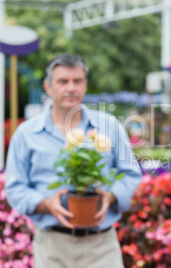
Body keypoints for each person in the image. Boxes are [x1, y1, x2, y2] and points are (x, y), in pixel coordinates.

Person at [5, 54, 142, 268]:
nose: (71, 88)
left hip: (101, 246)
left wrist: (111, 196)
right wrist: (47, 204)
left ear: (85, 85)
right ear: (48, 87)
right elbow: (15, 187)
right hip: (51, 246)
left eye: (77, 81)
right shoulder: (26, 134)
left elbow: (131, 173)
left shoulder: (109, 126)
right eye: (63, 81)